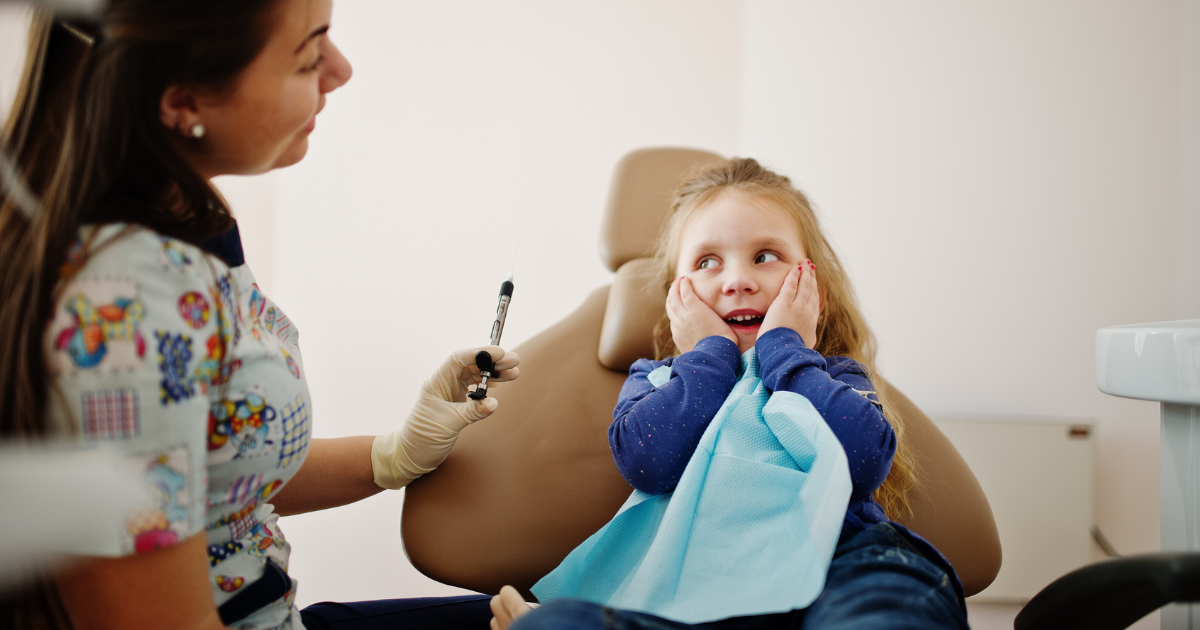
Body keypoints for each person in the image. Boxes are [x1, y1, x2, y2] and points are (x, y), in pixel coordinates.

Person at [0, 2, 517, 629]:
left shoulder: (185, 218)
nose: (341, 70)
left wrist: (391, 455)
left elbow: (207, 473)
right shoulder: (120, 315)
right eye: (308, 55)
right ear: (184, 101)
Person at [489, 158, 968, 630]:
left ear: (810, 282)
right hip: (698, 588)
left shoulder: (834, 374)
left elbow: (863, 461)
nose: (737, 281)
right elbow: (647, 462)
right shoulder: (655, 380)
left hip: (843, 563)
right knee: (561, 622)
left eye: (765, 256)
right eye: (707, 262)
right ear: (676, 294)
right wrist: (710, 354)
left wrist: (785, 349)